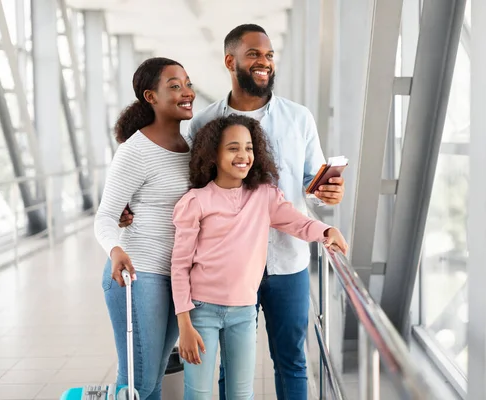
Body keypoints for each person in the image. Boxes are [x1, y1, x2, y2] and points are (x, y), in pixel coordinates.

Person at [117, 24, 346, 400]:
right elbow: (179, 177)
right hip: (222, 272)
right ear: (231, 61)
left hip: (287, 262)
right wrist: (130, 202)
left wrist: (327, 198)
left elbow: (311, 188)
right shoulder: (204, 122)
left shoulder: (299, 118)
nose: (265, 63)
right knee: (227, 369)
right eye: (254, 54)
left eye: (270, 55)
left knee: (292, 360)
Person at [171, 114, 348, 400]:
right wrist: (184, 325)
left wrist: (327, 230)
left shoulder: (265, 196)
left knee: (242, 393)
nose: (243, 155)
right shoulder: (196, 201)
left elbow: (298, 222)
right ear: (213, 154)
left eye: (249, 147)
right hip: (201, 311)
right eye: (233, 148)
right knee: (199, 393)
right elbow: (179, 266)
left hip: (243, 310)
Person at [94, 57, 195, 400]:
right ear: (150, 97)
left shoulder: (192, 148)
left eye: (188, 84)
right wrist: (115, 250)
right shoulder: (135, 151)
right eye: (175, 86)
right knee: (140, 382)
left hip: (176, 275)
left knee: (152, 379)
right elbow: (106, 215)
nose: (187, 92)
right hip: (138, 273)